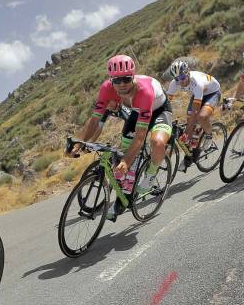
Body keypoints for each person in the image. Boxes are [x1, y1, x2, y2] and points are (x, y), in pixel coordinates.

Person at [70, 55, 174, 220]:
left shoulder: (144, 91)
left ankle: (151, 174)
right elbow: (95, 119)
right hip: (138, 111)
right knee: (124, 162)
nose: (122, 85)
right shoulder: (106, 88)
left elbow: (140, 137)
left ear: (133, 76)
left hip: (159, 110)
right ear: (110, 80)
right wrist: (79, 142)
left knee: (157, 142)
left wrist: (126, 161)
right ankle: (122, 199)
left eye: (126, 79)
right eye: (117, 81)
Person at [164, 60, 221, 173]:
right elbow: (165, 103)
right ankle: (189, 155)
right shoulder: (174, 83)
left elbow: (195, 113)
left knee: (201, 117)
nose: (180, 82)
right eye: (177, 79)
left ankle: (209, 136)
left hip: (212, 93)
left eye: (182, 78)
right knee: (189, 124)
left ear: (188, 73)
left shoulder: (197, 82)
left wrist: (188, 131)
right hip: (197, 95)